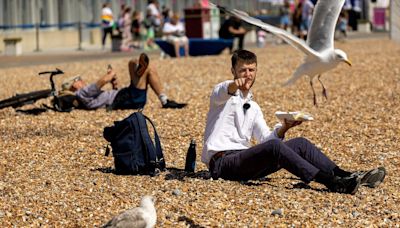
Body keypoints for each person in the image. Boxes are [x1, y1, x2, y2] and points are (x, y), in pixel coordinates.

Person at [201, 49, 386, 194]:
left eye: (251, 70)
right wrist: (235, 84)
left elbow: (265, 139)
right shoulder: (221, 96)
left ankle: (345, 175)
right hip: (223, 164)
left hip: (245, 162)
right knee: (275, 147)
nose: (247, 75)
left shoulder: (254, 107)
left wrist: (284, 128)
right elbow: (225, 89)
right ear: (233, 71)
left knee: (300, 144)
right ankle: (331, 183)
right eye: (242, 70)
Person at [62, 53, 187, 110]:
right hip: (126, 98)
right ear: (74, 85)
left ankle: (164, 99)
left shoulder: (84, 97)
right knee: (136, 64)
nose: (82, 80)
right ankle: (139, 72)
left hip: (126, 98)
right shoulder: (81, 93)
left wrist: (113, 85)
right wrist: (111, 74)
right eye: (78, 79)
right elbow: (102, 81)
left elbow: (102, 96)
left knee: (147, 67)